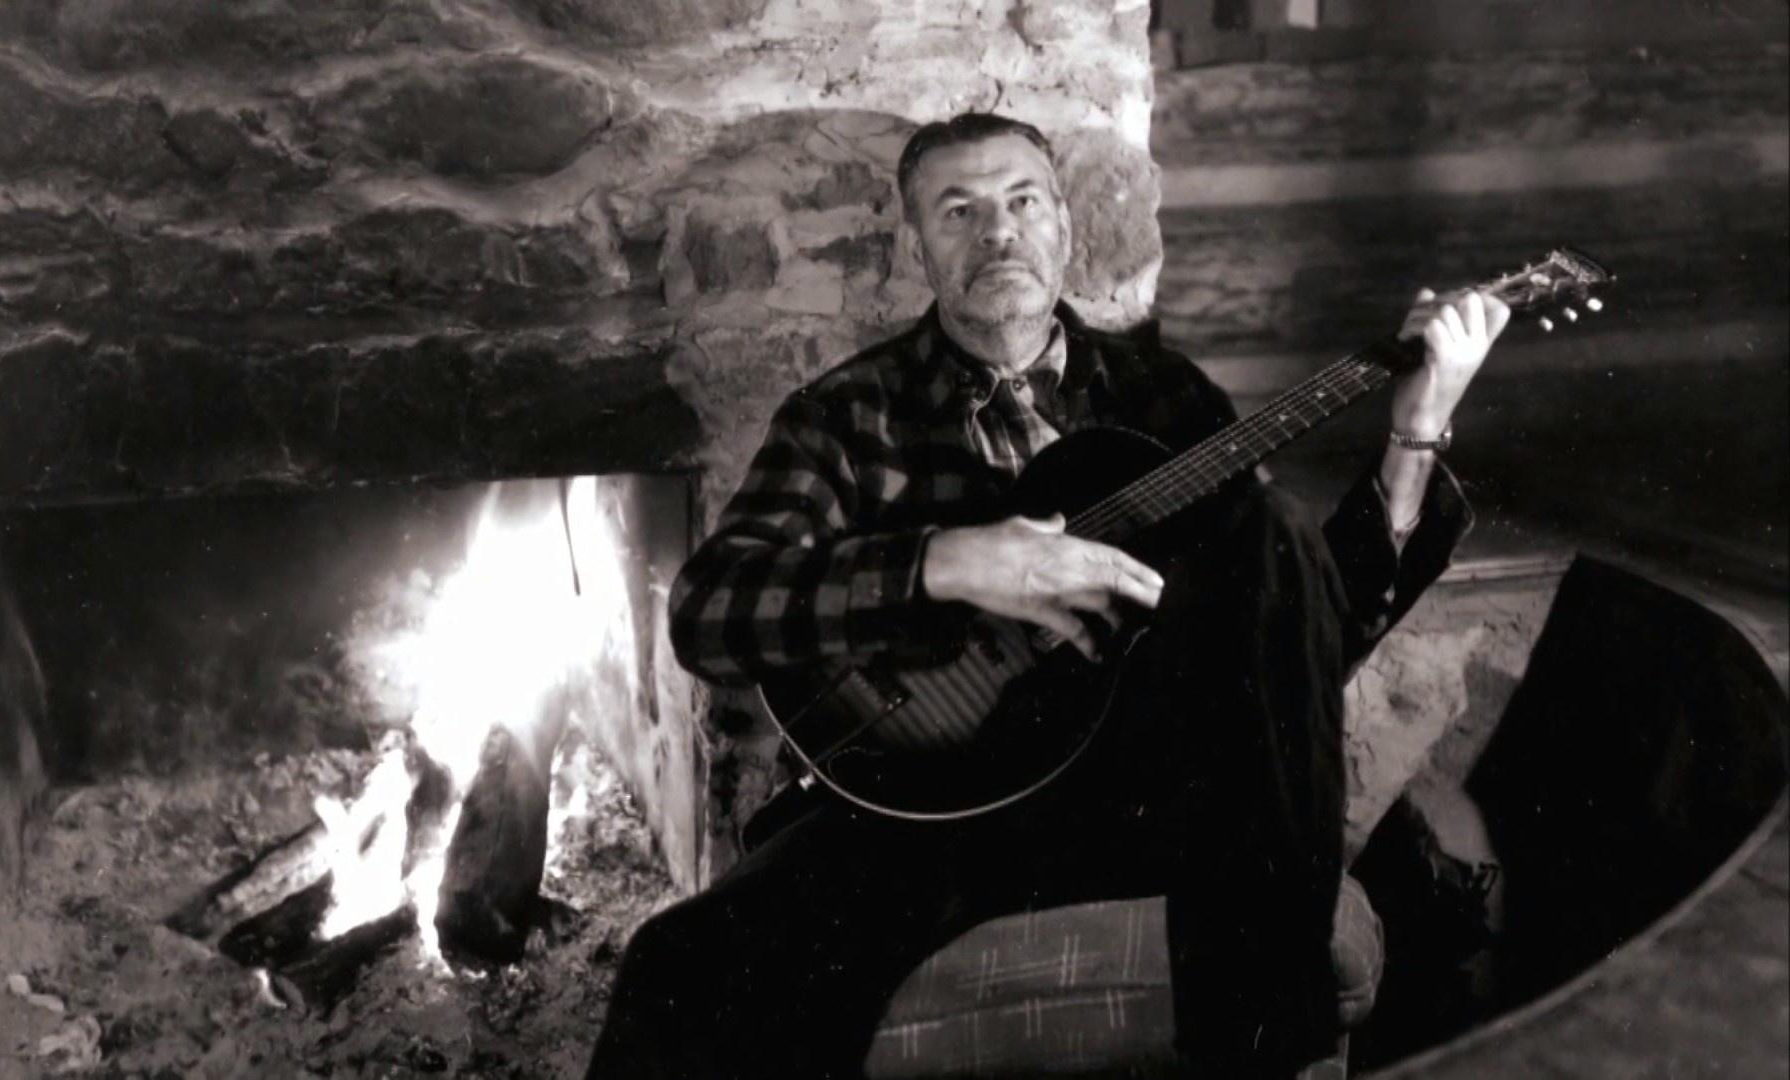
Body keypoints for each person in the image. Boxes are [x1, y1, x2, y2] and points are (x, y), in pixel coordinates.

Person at [585, 112, 1510, 1079]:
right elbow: (711, 612)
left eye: (1023, 201)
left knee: (1272, 535)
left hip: (1139, 791)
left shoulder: (1163, 398)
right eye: (959, 210)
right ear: (919, 247)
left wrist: (1417, 433)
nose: (998, 232)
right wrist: (947, 564)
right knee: (675, 966)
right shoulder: (846, 416)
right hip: (925, 810)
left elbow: (1305, 638)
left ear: (1065, 224)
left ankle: (1264, 1036)